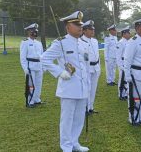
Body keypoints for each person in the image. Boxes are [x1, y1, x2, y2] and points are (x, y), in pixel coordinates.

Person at [41, 11, 90, 152]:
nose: (80, 27)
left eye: (80, 24)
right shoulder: (61, 42)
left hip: (82, 87)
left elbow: (84, 65)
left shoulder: (83, 43)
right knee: (67, 119)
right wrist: (59, 72)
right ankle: (66, 146)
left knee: (79, 118)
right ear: (68, 27)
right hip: (69, 88)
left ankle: (75, 143)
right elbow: (44, 58)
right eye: (76, 25)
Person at [20, 23, 44, 108]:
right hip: (30, 66)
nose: (35, 32)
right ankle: (30, 101)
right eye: (33, 31)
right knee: (31, 85)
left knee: (38, 84)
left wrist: (43, 66)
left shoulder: (39, 43)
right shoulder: (25, 42)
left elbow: (42, 56)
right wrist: (25, 68)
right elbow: (22, 57)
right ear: (28, 32)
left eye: (36, 30)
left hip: (39, 66)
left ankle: (37, 99)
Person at [80, 20, 101, 114]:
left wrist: (99, 67)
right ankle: (85, 108)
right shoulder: (80, 41)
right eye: (90, 29)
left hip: (95, 67)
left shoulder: (95, 41)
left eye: (93, 29)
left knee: (93, 89)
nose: (92, 31)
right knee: (87, 89)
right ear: (84, 31)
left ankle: (91, 107)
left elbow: (97, 55)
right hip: (87, 68)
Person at [116, 26, 131, 100]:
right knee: (122, 79)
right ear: (124, 34)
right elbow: (118, 56)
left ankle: (125, 94)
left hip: (127, 63)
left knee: (126, 79)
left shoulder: (129, 42)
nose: (129, 34)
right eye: (128, 33)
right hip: (122, 63)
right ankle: (121, 94)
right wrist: (121, 66)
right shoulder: (120, 43)